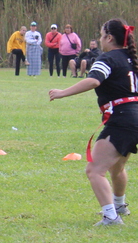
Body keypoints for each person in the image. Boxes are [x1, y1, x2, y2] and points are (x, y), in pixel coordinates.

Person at [49, 19, 138, 226]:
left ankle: (111, 217)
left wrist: (63, 93)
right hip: (134, 117)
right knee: (116, 167)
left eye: (101, 35)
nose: (100, 39)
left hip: (122, 119)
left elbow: (94, 80)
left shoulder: (106, 58)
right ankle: (119, 206)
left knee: (94, 170)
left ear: (108, 38)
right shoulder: (131, 59)